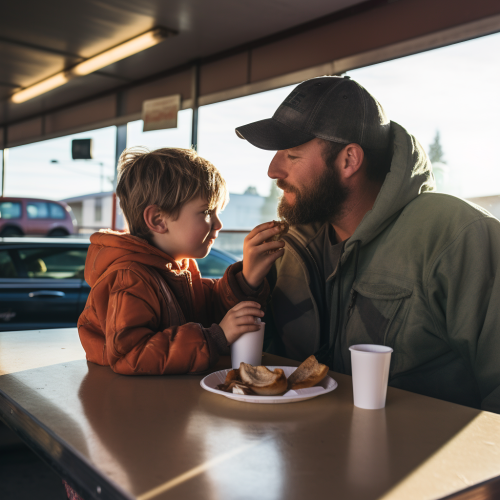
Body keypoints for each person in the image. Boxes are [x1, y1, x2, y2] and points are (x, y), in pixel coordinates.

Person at [235, 76, 500, 413]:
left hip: (418, 461)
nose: (273, 170)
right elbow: (262, 363)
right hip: (298, 454)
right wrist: (247, 286)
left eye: (292, 154)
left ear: (349, 160)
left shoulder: (457, 234)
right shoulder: (289, 245)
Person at [77, 147, 285, 375]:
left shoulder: (179, 269)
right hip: (136, 403)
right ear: (158, 220)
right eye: (207, 212)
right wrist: (216, 338)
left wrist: (246, 279)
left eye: (218, 213)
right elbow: (130, 354)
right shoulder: (130, 277)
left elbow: (209, 305)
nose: (218, 224)